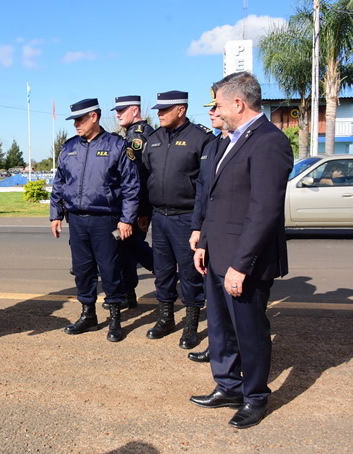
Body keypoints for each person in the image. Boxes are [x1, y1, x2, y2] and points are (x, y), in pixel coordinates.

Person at [190, 72, 293, 429]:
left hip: (244, 261)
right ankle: (228, 386)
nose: (214, 110)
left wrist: (241, 265)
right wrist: (203, 243)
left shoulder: (268, 141)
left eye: (217, 103)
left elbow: (263, 210)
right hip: (218, 253)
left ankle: (256, 397)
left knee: (249, 331)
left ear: (238, 103)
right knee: (220, 328)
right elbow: (218, 200)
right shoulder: (231, 140)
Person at [50, 98, 140, 342]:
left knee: (110, 269)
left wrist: (127, 219)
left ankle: (114, 319)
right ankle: (88, 315)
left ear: (94, 117)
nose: (76, 124)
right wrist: (55, 213)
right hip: (77, 220)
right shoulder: (69, 148)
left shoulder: (117, 146)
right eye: (74, 120)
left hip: (106, 219)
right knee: (82, 270)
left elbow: (131, 186)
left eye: (79, 119)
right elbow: (59, 183)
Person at [143, 91, 216, 349]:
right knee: (162, 272)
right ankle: (166, 318)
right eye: (158, 110)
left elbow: (205, 187)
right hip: (159, 217)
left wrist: (198, 224)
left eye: (165, 110)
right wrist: (143, 214)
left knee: (189, 274)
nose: (159, 114)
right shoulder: (153, 139)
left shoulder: (201, 138)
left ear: (181, 110)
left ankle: (191, 325)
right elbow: (146, 179)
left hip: (186, 218)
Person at [187, 88, 230, 363]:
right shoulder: (212, 145)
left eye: (216, 107)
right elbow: (202, 192)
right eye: (210, 107)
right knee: (214, 301)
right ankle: (217, 347)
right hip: (208, 231)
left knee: (233, 305)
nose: (211, 112)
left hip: (230, 235)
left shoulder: (243, 144)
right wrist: (197, 229)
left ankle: (233, 356)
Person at [104, 95, 154, 310]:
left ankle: (163, 270)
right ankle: (128, 293)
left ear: (135, 110)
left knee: (128, 247)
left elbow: (139, 177)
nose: (117, 114)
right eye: (116, 110)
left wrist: (141, 211)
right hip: (134, 207)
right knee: (126, 249)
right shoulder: (133, 134)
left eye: (122, 110)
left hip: (135, 208)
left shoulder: (138, 136)